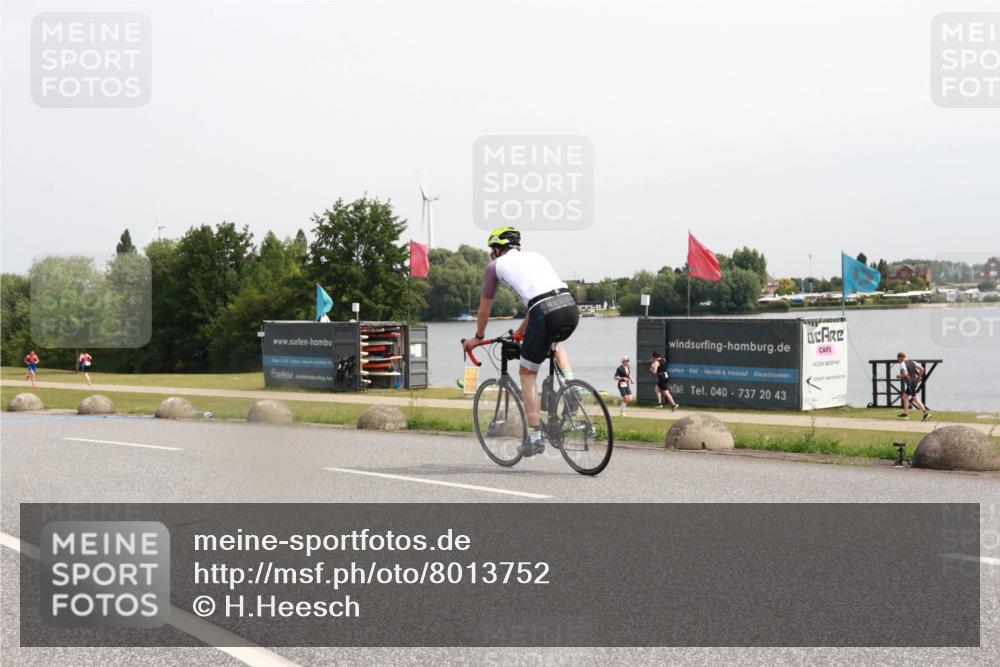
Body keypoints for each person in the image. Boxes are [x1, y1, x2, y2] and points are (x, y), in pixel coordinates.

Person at [463, 226, 580, 457]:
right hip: (569, 306)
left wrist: (477, 337)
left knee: (527, 374)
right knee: (555, 344)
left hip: (543, 312)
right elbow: (541, 298)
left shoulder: (494, 267)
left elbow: (484, 309)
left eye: (491, 250)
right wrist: (520, 331)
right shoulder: (536, 256)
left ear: (497, 249)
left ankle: (535, 438)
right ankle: (570, 385)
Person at [897, 352, 931, 421]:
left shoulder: (902, 364)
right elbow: (922, 369)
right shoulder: (912, 362)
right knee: (905, 396)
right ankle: (905, 414)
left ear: (901, 358)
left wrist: (899, 376)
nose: (898, 361)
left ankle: (926, 413)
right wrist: (919, 377)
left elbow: (905, 374)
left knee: (915, 398)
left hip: (910, 383)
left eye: (898, 359)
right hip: (914, 382)